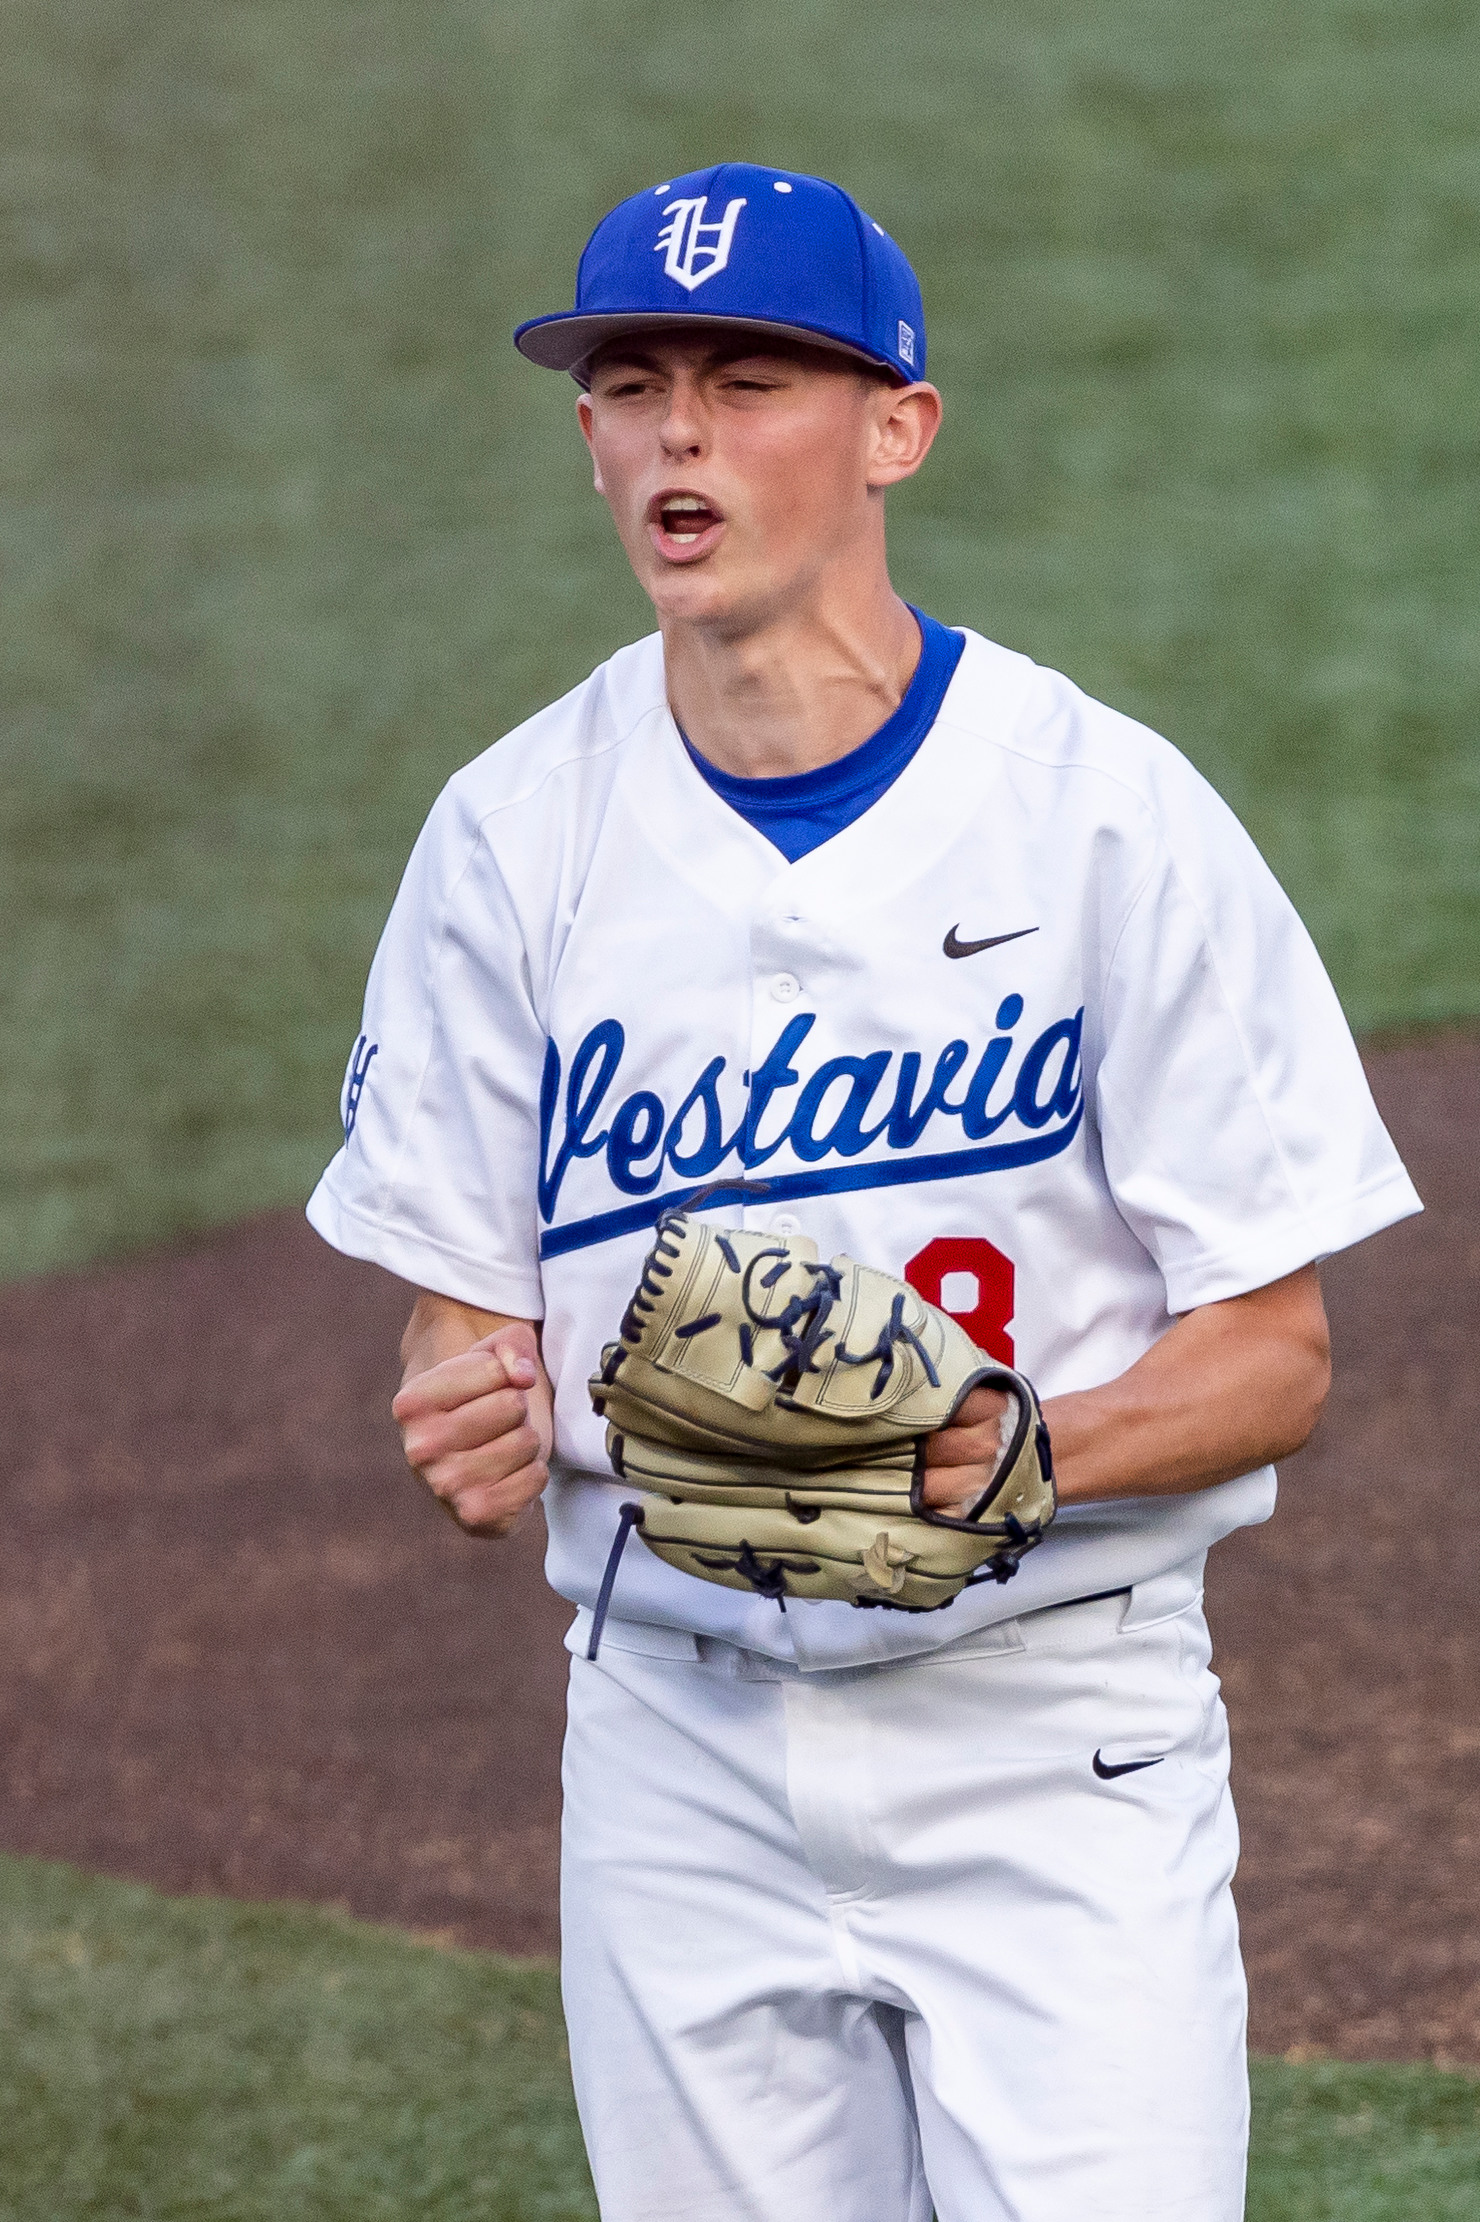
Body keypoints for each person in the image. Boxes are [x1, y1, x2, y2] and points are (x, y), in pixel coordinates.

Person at [307, 164, 1420, 2220]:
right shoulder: (506, 836)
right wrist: (461, 1388)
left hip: (1050, 1737)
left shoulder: (1105, 817)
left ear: (895, 424)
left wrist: (999, 1452)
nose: (677, 436)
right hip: (671, 1748)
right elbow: (460, 1288)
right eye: (631, 387)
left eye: (746, 383)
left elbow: (1274, 1352)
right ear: (586, 441)